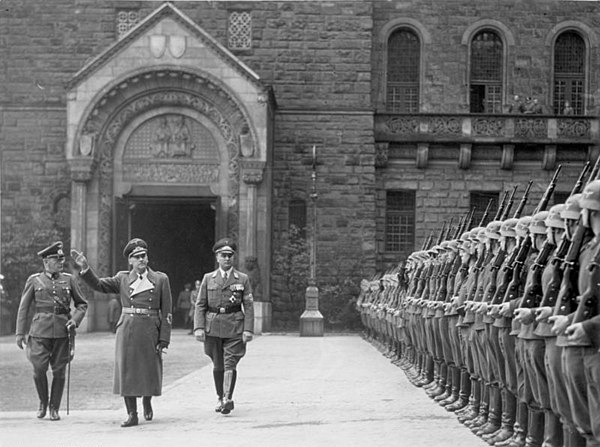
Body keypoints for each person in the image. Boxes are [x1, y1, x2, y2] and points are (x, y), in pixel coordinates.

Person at [71, 238, 172, 427]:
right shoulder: (122, 278)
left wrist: (164, 338)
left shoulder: (160, 279)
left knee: (149, 369)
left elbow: (167, 312)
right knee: (127, 370)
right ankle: (132, 414)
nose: (141, 259)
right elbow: (100, 285)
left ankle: (147, 400)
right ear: (130, 261)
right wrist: (85, 268)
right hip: (127, 329)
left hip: (150, 329)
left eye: (144, 256)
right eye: (137, 257)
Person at [15, 241, 88, 421]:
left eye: (61, 259)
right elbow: (23, 308)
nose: (60, 262)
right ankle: (43, 402)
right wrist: (19, 332)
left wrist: (75, 320)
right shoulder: (34, 280)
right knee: (39, 369)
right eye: (56, 259)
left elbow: (82, 304)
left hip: (63, 331)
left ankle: (54, 408)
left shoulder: (69, 279)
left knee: (59, 370)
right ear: (46, 262)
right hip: (39, 331)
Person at [194, 238, 254, 415]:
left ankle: (228, 398)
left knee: (230, 362)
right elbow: (200, 304)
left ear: (233, 258)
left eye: (230, 255)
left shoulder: (242, 279)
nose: (227, 258)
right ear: (217, 258)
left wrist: (248, 329)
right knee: (218, 364)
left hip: (235, 324)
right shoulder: (208, 278)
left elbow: (248, 305)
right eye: (223, 255)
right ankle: (219, 397)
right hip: (213, 326)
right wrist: (198, 327)